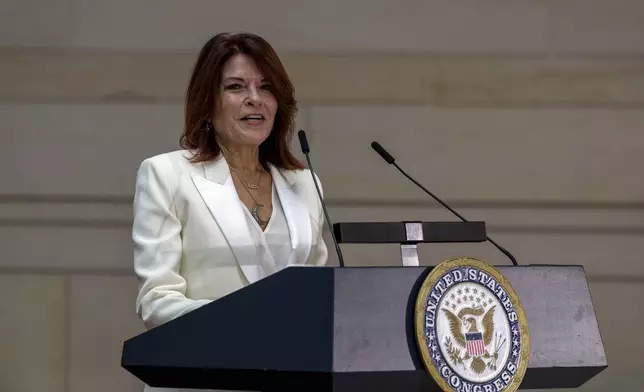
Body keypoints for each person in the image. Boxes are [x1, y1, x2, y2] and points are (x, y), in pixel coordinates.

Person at [131, 32, 329, 392]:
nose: (254, 99)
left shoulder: (305, 184)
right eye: (236, 87)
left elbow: (314, 294)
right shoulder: (167, 175)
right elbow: (156, 300)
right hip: (202, 381)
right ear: (208, 103)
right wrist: (244, 324)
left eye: (266, 87)